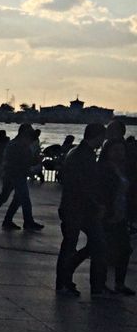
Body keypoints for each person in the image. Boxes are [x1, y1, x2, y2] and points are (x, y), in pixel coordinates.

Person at [56, 122, 107, 296]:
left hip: (72, 206)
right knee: (92, 243)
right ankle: (66, 276)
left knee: (70, 244)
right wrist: (96, 204)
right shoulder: (87, 156)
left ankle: (63, 280)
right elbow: (85, 185)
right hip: (79, 208)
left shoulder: (74, 153)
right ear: (98, 136)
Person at [0, 123, 42, 231]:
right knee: (23, 198)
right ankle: (25, 221)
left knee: (9, 197)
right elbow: (23, 161)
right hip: (16, 175)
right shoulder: (18, 145)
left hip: (11, 174)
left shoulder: (15, 144)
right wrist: (35, 161)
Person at [99, 139, 133, 296]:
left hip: (121, 213)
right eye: (115, 150)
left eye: (121, 150)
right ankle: (101, 283)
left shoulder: (124, 169)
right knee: (105, 250)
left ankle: (119, 283)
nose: (119, 153)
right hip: (108, 214)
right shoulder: (104, 169)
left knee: (125, 249)